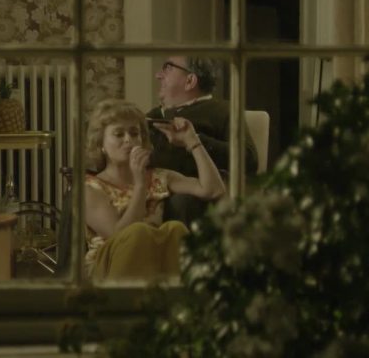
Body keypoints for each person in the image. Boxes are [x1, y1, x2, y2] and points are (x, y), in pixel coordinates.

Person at [84, 98, 226, 281]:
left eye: (134, 133)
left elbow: (214, 190)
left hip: (154, 266)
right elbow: (119, 236)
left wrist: (193, 141)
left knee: (174, 229)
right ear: (101, 144)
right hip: (108, 269)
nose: (128, 140)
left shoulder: (159, 176)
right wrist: (140, 185)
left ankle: (175, 295)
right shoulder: (90, 189)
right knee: (139, 232)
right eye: (118, 134)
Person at [146, 56, 258, 227]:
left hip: (197, 192)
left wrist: (193, 140)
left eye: (168, 68)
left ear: (190, 81)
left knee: (182, 202)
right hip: (153, 187)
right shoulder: (153, 115)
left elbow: (248, 159)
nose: (158, 75)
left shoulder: (223, 111)